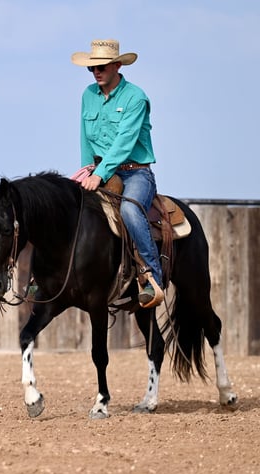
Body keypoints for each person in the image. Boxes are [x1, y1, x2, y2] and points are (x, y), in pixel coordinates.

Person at [71, 39, 164, 308]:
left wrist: (99, 175)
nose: (96, 72)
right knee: (62, 204)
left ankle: (151, 278)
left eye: (100, 67)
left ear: (117, 65)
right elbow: (84, 139)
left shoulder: (136, 97)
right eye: (91, 68)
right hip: (98, 170)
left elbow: (125, 142)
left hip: (136, 174)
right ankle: (48, 277)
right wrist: (87, 170)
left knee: (130, 212)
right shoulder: (88, 95)